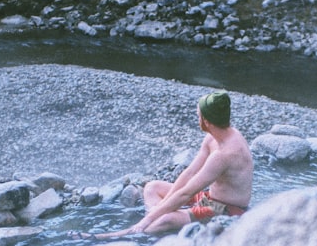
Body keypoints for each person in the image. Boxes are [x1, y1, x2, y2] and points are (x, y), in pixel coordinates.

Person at [87, 90, 253, 238]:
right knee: (152, 187)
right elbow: (190, 173)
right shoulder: (215, 137)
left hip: (226, 210)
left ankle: (123, 234)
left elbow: (186, 193)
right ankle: (154, 222)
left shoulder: (224, 154)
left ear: (207, 121)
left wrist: (151, 218)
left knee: (164, 219)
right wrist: (164, 204)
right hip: (209, 199)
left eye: (198, 115)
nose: (197, 119)